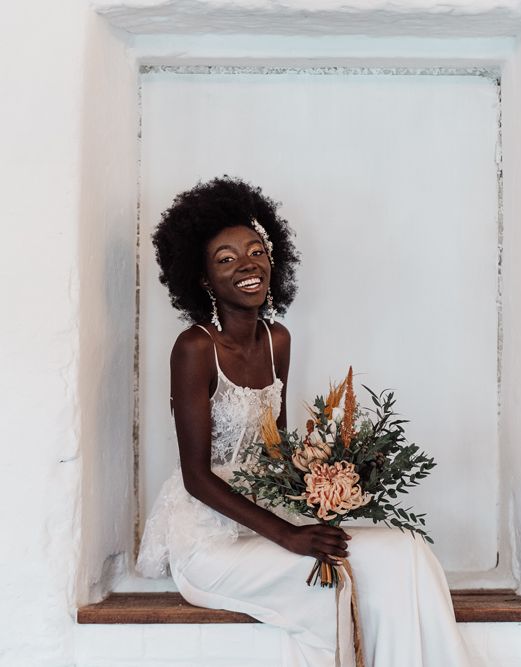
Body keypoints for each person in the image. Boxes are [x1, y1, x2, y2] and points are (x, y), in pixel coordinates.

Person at [136, 176, 472, 667]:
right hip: (209, 541)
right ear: (204, 279)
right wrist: (289, 535)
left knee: (409, 552)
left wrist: (328, 486)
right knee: (336, 583)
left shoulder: (278, 341)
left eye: (256, 251)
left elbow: (277, 448)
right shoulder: (194, 348)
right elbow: (196, 477)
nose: (248, 265)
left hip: (271, 518)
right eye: (226, 259)